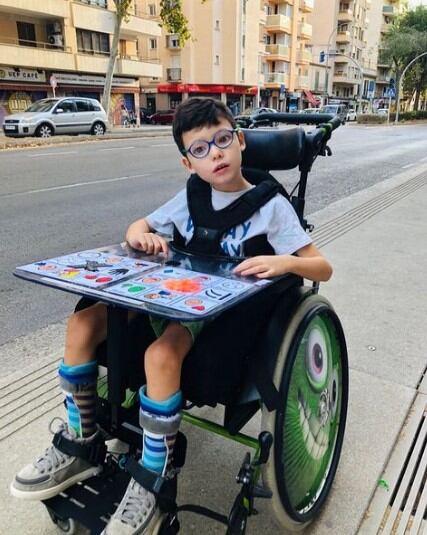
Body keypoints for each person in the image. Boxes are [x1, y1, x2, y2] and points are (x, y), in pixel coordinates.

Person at [10, 98, 332, 534]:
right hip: (169, 296)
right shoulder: (191, 197)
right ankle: (81, 442)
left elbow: (321, 268)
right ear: (187, 162)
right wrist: (142, 236)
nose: (214, 154)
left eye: (221, 141)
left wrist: (284, 263)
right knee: (82, 322)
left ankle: (155, 479)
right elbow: (137, 227)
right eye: (200, 149)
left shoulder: (270, 205)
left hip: (219, 315)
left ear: (239, 141)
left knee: (162, 356)